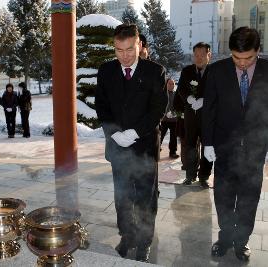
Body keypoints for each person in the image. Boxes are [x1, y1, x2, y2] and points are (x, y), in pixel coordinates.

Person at [202, 27, 268, 261]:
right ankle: (225, 237)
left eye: (248, 57)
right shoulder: (216, 71)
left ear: (257, 51)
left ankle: (242, 241)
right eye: (236, 57)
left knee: (249, 196)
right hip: (224, 146)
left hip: (255, 146)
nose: (241, 63)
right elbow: (209, 109)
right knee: (223, 195)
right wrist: (207, 143)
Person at [95, 24, 167, 263]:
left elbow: (158, 108)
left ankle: (145, 241)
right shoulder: (106, 71)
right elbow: (102, 106)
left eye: (130, 49)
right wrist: (113, 133)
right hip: (118, 147)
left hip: (144, 146)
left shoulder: (154, 71)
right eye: (119, 50)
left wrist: (135, 132)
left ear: (140, 45)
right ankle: (127, 236)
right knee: (122, 196)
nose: (124, 56)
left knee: (146, 196)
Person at [176, 42, 213, 188]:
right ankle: (190, 175)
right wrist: (189, 99)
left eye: (202, 55)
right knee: (190, 146)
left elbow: (218, 91)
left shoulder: (214, 71)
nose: (199, 58)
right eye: (196, 55)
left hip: (208, 118)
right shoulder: (187, 71)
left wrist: (205, 100)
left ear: (208, 55)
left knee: (207, 147)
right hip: (191, 116)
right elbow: (181, 89)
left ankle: (204, 176)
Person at [160, 78, 179, 159]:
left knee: (173, 137)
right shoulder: (162, 93)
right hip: (163, 120)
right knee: (160, 136)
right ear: (166, 84)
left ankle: (173, 152)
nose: (171, 85)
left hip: (174, 120)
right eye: (169, 83)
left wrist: (175, 113)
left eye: (173, 84)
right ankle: (156, 150)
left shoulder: (176, 94)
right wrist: (165, 113)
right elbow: (160, 105)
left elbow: (179, 106)